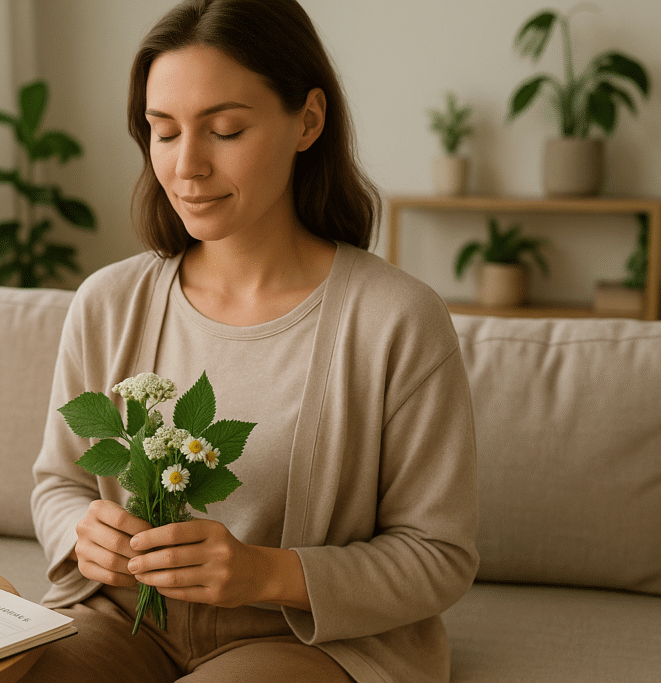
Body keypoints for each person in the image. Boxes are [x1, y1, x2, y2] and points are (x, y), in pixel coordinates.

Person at [27, 0, 479, 681]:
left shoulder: (398, 320)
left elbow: (438, 554)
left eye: (226, 130)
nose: (187, 167)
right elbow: (58, 483)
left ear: (308, 120)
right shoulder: (107, 303)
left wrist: (268, 571)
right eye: (164, 132)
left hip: (307, 642)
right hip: (122, 618)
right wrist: (82, 532)